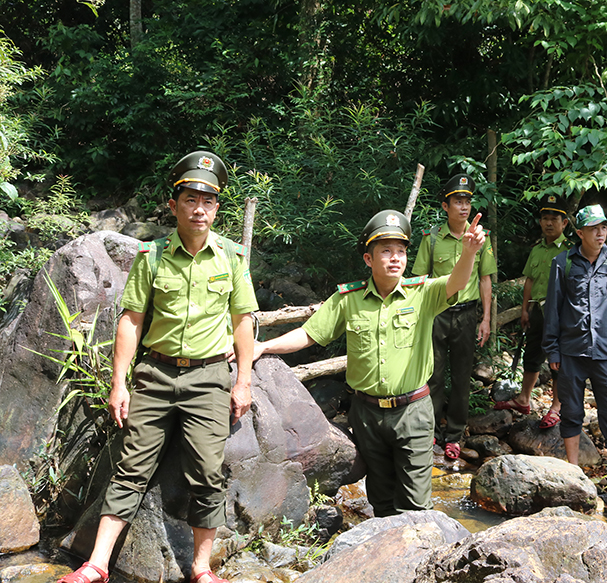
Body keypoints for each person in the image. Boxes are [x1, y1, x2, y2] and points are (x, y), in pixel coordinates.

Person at [57, 152, 258, 583]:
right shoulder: (151, 256)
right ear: (174, 205)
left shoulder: (233, 257)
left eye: (208, 201)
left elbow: (244, 322)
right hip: (156, 373)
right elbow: (131, 320)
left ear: (217, 207)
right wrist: (119, 383)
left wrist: (243, 382)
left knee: (207, 471)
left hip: (208, 378)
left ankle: (201, 569)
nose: (199, 208)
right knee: (131, 467)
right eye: (190, 199)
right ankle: (96, 564)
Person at [247, 209, 486, 516]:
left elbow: (456, 282)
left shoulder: (422, 294)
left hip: (412, 413)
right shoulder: (350, 298)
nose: (395, 257)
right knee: (382, 501)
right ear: (369, 259)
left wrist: (468, 254)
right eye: (386, 250)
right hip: (367, 415)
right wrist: (263, 346)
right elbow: (310, 334)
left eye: (400, 251)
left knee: (416, 506)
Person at [542, 204, 607, 497]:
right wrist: (553, 351)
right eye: (595, 228)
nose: (601, 233)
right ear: (579, 232)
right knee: (571, 412)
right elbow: (554, 310)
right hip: (571, 352)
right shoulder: (563, 263)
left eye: (604, 227)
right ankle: (574, 473)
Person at [410, 174, 497, 460]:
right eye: (458, 201)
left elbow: (486, 279)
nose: (464, 206)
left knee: (461, 378)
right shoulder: (432, 238)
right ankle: (431, 431)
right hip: (436, 313)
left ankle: (455, 434)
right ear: (445, 206)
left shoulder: (480, 238)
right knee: (431, 375)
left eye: (467, 201)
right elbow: (420, 280)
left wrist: (485, 319)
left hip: (467, 314)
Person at [494, 195, 569, 429]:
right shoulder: (537, 249)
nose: (548, 223)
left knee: (557, 359)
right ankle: (524, 399)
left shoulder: (571, 250)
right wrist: (525, 309)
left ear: (564, 222)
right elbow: (529, 281)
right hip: (537, 309)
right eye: (545, 218)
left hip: (559, 311)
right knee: (532, 354)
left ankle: (557, 406)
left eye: (554, 219)